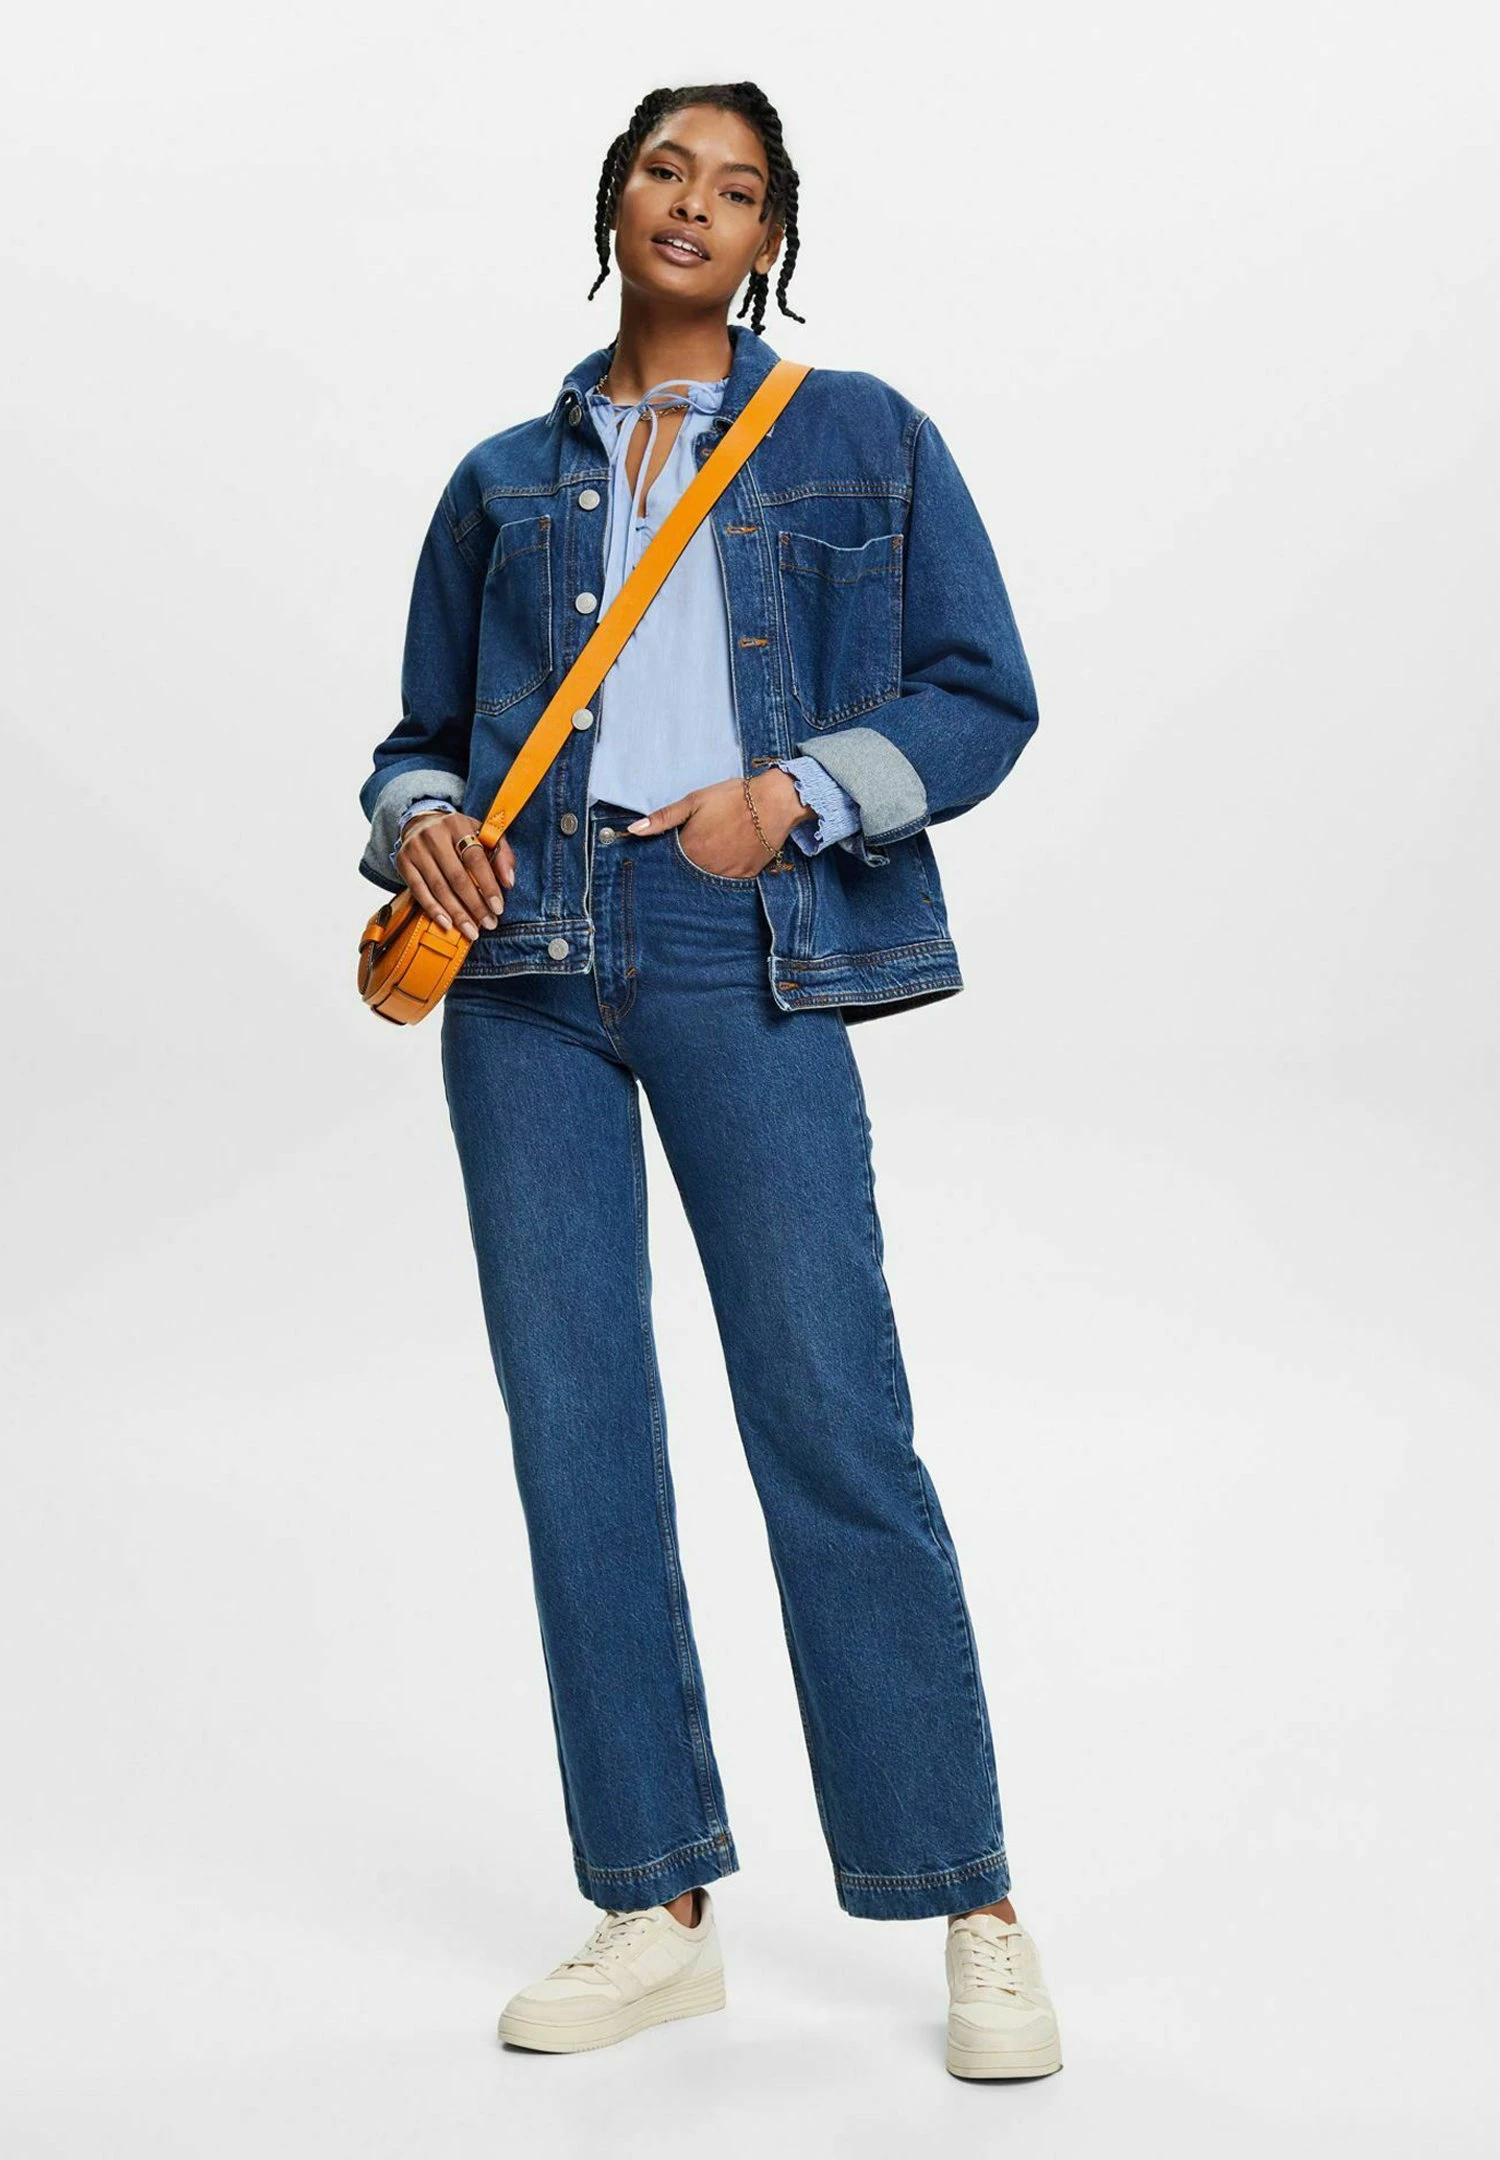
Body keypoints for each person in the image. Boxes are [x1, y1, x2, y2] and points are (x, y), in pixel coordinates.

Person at [356, 81, 1060, 2081]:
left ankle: (970, 1901)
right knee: (578, 1428)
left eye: (737, 189)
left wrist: (797, 794)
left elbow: (982, 692)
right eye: (667, 169)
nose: (695, 204)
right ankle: (652, 1906)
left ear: (771, 238)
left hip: (743, 937)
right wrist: (421, 824)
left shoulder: (861, 435)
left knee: (831, 1413)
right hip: (524, 964)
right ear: (617, 199)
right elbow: (416, 739)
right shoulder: (502, 479)